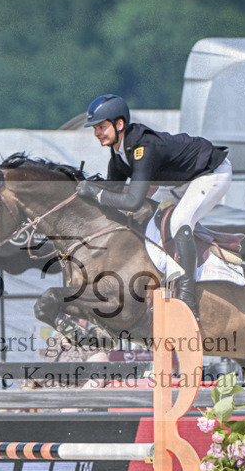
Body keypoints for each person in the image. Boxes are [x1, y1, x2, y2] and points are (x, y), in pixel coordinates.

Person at [76, 94, 232, 318]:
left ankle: (188, 299)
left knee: (179, 222)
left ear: (119, 124)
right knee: (151, 220)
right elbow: (113, 192)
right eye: (95, 128)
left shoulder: (142, 147)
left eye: (101, 127)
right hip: (181, 182)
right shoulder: (119, 153)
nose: (97, 133)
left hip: (211, 173)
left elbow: (132, 201)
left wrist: (96, 193)